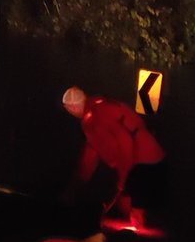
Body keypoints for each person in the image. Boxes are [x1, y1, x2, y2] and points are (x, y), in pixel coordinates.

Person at [60, 86, 165, 224]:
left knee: (137, 215)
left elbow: (126, 144)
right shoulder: (97, 111)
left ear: (72, 107)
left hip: (143, 159)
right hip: (142, 158)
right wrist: (77, 183)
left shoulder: (97, 116)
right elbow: (90, 154)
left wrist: (124, 178)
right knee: (125, 204)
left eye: (68, 109)